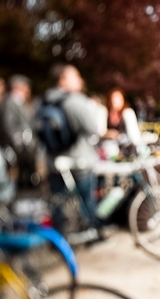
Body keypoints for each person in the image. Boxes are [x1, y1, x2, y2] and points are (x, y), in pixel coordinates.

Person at [43, 64, 101, 234]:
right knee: (86, 199)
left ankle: (57, 238)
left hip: (53, 161)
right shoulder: (74, 100)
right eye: (76, 76)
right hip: (79, 160)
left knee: (57, 202)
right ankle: (93, 233)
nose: (80, 80)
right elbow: (93, 128)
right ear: (63, 80)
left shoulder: (43, 101)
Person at [0, 74, 38, 188]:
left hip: (24, 145)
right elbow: (8, 125)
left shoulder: (20, 102)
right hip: (16, 146)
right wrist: (18, 140)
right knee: (21, 176)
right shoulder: (10, 102)